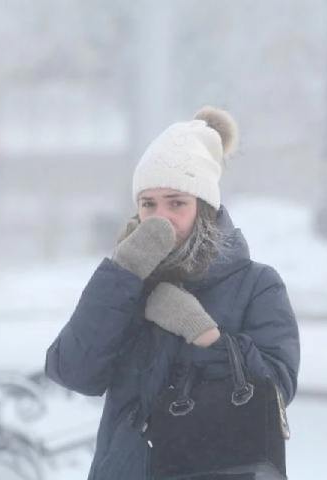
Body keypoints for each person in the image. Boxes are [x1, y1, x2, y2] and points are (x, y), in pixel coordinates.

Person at [44, 106, 300, 480]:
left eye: (177, 203)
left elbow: (275, 389)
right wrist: (122, 274)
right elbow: (73, 372)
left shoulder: (258, 284)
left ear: (206, 208)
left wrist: (204, 334)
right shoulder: (125, 282)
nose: (161, 216)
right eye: (149, 204)